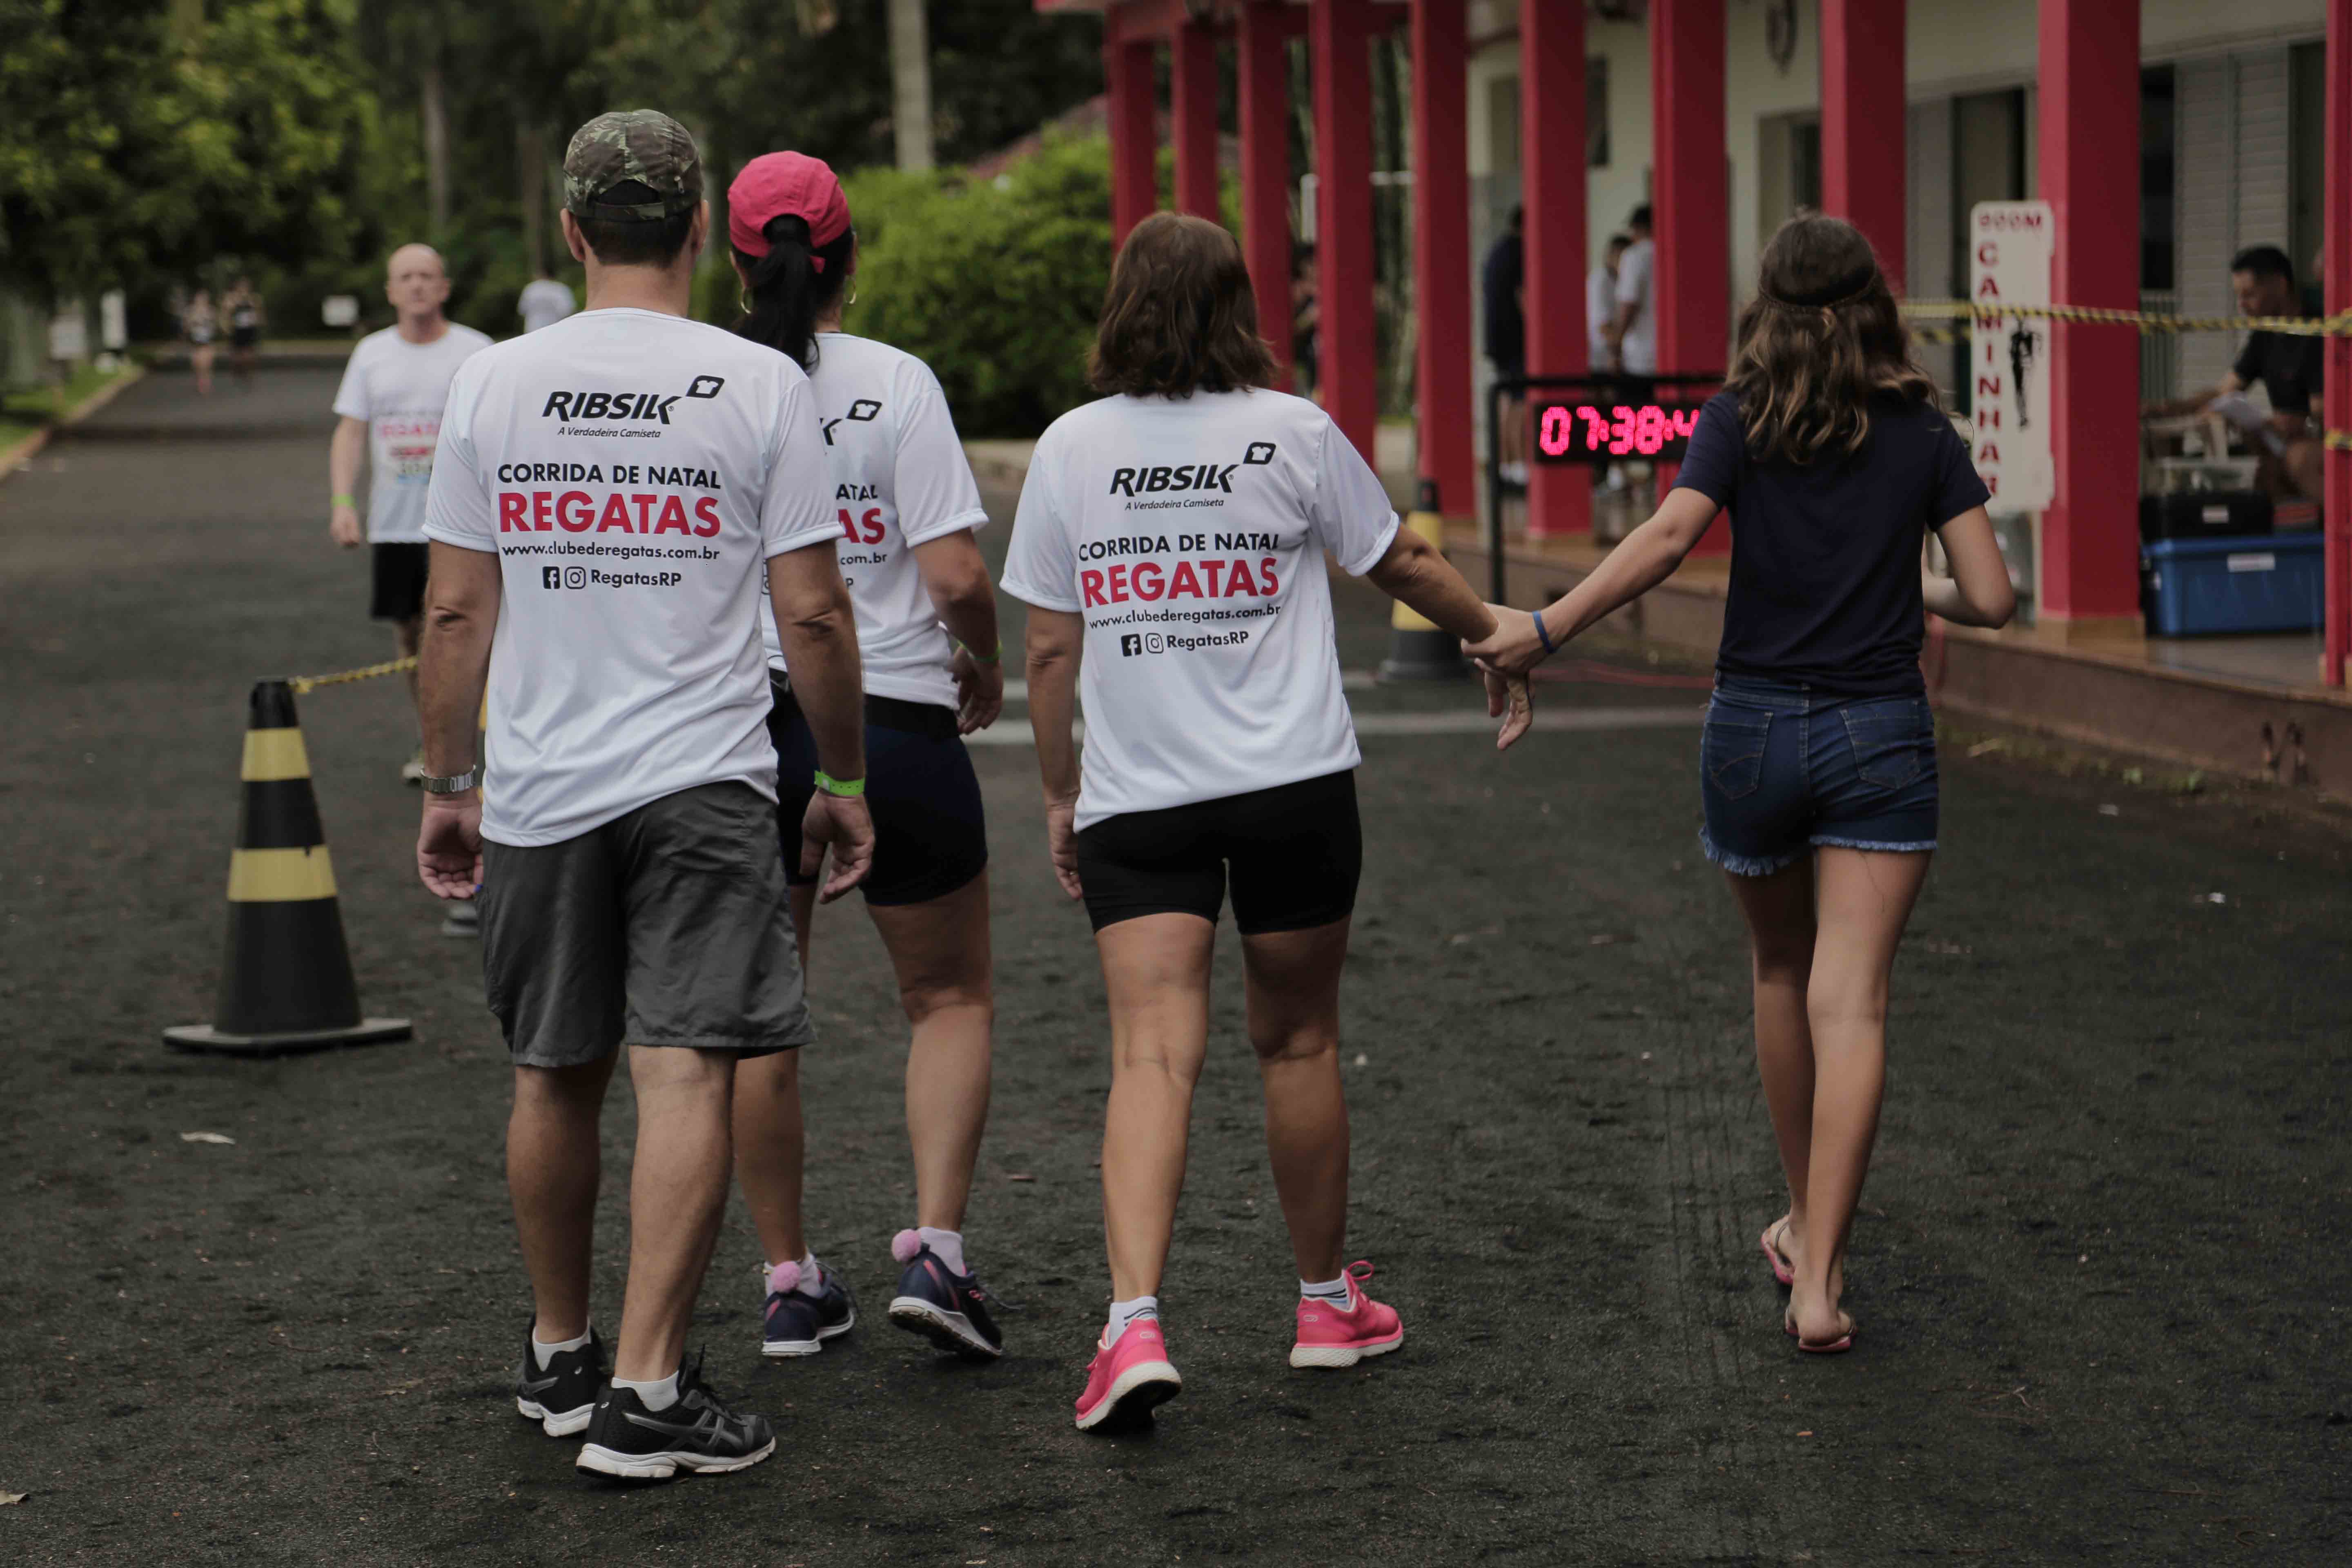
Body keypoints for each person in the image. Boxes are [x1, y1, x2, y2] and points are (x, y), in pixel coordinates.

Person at [1001, 212, 1533, 1432]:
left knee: (1150, 1055)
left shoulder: (1074, 447)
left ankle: (1133, 1321)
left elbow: (1045, 644)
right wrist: (1493, 633)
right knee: (1296, 1043)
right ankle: (1323, 1304)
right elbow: (1400, 560)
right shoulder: (1292, 431)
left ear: (1122, 304)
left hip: (1143, 801)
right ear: (1245, 303)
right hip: (1294, 787)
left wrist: (1058, 788)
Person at [413, 108, 875, 1482]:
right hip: (702, 780)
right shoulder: (756, 384)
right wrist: (842, 773)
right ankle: (647, 1389)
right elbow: (818, 614)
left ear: (570, 234)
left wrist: (452, 782)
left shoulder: (493, 383)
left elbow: (451, 609)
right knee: (690, 1068)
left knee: (553, 1074)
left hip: (544, 784)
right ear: (693, 232)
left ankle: (562, 1356)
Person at [1465, 214, 2015, 1354]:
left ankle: (1803, 1222)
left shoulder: (1738, 419)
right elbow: (1996, 597)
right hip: (1879, 735)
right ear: (1877, 302)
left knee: (1779, 966)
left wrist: (1545, 630)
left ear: (1764, 305)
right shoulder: (1924, 432)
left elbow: (1668, 538)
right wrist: (1911, 584)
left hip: (1754, 731)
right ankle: (1818, 1276)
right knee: (1852, 1000)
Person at [722, 149, 1009, 1362]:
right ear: (850, 257)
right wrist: (982, 661)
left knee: (757, 1016)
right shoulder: (898, 382)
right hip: (894, 719)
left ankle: (791, 1280)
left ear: (735, 261)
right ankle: (938, 1251)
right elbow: (953, 575)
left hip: (740, 732)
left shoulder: (712, 383)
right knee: (945, 996)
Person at [329, 244, 493, 783]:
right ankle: (436, 743)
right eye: (406, 277)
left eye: (427, 276)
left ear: (444, 288)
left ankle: (489, 740)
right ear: (391, 291)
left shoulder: (478, 353)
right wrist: (343, 503)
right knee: (411, 633)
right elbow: (351, 431)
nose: (418, 285)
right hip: (397, 521)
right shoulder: (372, 354)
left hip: (467, 523)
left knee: (472, 624)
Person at [2144, 244, 2324, 499]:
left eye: (2249, 295)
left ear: (2281, 286)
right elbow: (2224, 391)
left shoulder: (2318, 331)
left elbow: (2324, 412)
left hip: (2324, 442)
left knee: (2298, 459)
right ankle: (2290, 532)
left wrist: (2294, 424)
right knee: (2254, 463)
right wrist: (2165, 408)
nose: (2242, 306)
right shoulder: (2265, 334)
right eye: (2239, 296)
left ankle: (2339, 534)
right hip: (2284, 441)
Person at [1481, 206, 1528, 486]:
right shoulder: (1520, 251)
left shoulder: (1496, 253)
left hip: (1497, 339)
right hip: (1516, 339)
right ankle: (1519, 466)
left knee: (1505, 401)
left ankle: (1505, 465)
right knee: (1519, 404)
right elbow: (1524, 295)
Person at [1606, 205, 1657, 379]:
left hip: (1640, 357)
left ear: (1639, 228)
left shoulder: (1634, 256)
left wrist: (1615, 346)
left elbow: (1628, 304)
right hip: (1672, 355)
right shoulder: (1673, 253)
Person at [223, 277, 264, 388]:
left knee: (249, 356)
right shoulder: (231, 299)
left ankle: (249, 375)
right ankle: (238, 370)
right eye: (241, 287)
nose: (244, 289)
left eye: (246, 287)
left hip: (250, 330)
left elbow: (259, 314)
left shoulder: (255, 299)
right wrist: (227, 327)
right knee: (237, 358)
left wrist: (258, 321)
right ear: (237, 288)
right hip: (237, 331)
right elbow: (226, 313)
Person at [517, 268, 577, 334]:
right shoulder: (562, 289)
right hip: (555, 332)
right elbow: (568, 312)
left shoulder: (530, 289)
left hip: (532, 331)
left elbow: (522, 310)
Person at [183, 289, 218, 396]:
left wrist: (208, 322)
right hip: (195, 342)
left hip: (207, 342)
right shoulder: (190, 311)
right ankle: (200, 379)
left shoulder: (211, 311)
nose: (201, 301)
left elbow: (215, 327)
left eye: (204, 299)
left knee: (207, 363)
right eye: (199, 299)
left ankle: (206, 382)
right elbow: (186, 328)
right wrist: (193, 322)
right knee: (197, 364)